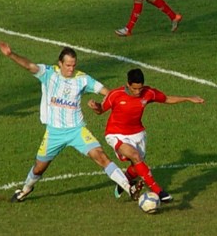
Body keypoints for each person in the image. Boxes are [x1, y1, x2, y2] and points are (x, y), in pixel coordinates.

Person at [0, 41, 142, 203]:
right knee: (39, 168)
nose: (71, 69)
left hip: (77, 131)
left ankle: (130, 188)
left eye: (73, 65)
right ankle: (25, 189)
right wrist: (11, 54)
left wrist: (112, 103)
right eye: (67, 65)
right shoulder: (49, 73)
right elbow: (29, 66)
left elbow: (107, 92)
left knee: (100, 156)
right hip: (54, 133)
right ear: (60, 63)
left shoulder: (83, 79)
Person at [88, 68, 205, 203]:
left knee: (137, 166)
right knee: (136, 156)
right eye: (134, 89)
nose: (138, 92)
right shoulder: (115, 95)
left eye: (140, 88)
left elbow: (166, 98)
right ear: (128, 84)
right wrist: (95, 106)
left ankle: (124, 182)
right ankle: (159, 192)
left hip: (137, 133)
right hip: (116, 134)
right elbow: (100, 110)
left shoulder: (148, 93)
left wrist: (188, 98)